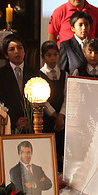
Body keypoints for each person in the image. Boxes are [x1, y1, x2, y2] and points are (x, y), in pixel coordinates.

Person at [0, 34, 38, 131]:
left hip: (31, 121)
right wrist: (14, 120)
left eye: (20, 48)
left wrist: (29, 119)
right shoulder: (0, 74)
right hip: (9, 122)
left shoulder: (34, 73)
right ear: (6, 55)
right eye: (12, 49)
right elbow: (0, 101)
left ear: (24, 51)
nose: (17, 52)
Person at [40, 41, 66, 169]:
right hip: (47, 118)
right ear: (43, 57)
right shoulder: (39, 74)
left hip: (61, 121)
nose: (52, 58)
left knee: (60, 148)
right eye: (49, 55)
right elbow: (41, 99)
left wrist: (61, 116)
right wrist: (54, 115)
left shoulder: (64, 74)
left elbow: (67, 96)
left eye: (55, 54)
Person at [58, 11, 90, 75]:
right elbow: (62, 71)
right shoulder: (66, 45)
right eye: (80, 25)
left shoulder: (94, 44)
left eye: (86, 25)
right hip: (74, 83)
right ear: (73, 28)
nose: (84, 28)